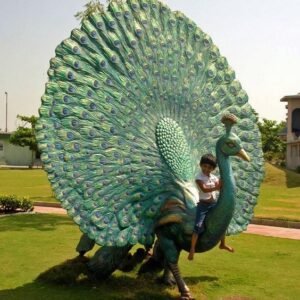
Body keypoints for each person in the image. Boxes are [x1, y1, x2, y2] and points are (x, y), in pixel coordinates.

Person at [188, 154, 234, 261]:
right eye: (205, 166)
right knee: (198, 226)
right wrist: (217, 187)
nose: (207, 169)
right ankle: (192, 249)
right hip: (203, 205)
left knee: (222, 224)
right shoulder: (199, 178)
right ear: (200, 165)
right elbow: (204, 189)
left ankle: (222, 244)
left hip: (213, 204)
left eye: (210, 168)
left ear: (213, 169)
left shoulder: (214, 178)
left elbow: (221, 186)